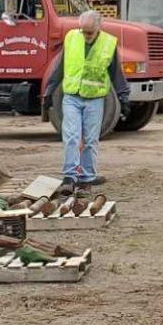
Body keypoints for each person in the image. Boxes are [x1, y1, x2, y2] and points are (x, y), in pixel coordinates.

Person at [49, 10, 128, 194]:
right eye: (83, 31)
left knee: (91, 140)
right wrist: (48, 92)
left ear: (99, 27)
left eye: (90, 32)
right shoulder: (71, 38)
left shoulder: (108, 43)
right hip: (71, 96)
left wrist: (124, 97)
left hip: (95, 99)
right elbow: (59, 67)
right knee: (71, 136)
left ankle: (86, 179)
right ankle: (69, 177)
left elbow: (116, 73)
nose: (86, 36)